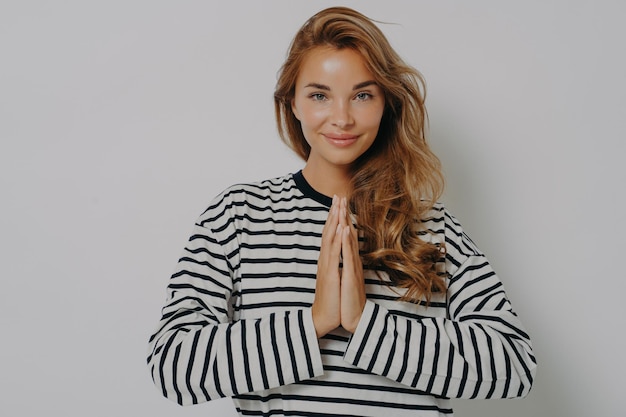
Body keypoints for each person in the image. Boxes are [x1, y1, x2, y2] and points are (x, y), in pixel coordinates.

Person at [147, 6, 537, 416]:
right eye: (319, 95)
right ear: (292, 103)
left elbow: (515, 364)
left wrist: (365, 322)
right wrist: (313, 323)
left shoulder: (431, 226)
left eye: (362, 95)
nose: (342, 118)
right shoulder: (239, 216)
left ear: (386, 103)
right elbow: (174, 365)